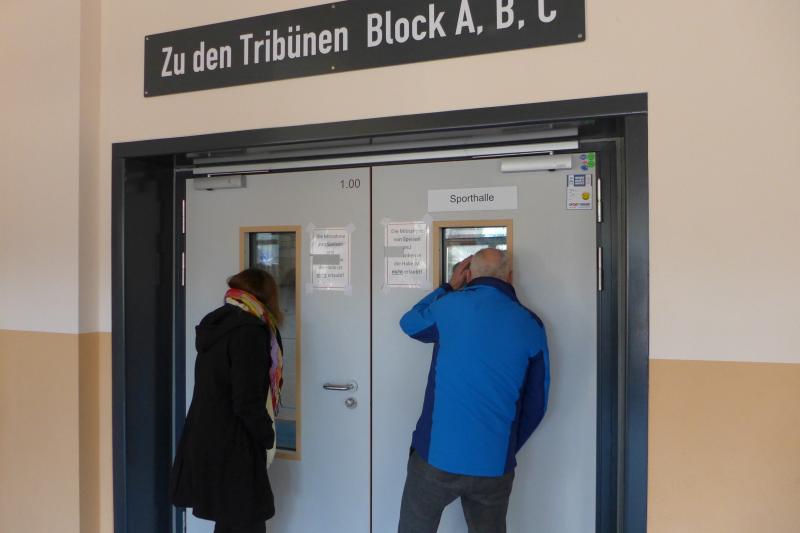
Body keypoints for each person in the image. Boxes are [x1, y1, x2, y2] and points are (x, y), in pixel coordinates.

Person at [397, 248, 550, 533]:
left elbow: (409, 323)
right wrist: (504, 446)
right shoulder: (531, 324)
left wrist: (448, 286)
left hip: (435, 457)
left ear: (467, 275)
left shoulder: (448, 306)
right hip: (494, 462)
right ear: (510, 277)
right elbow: (537, 403)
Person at [170, 268, 285, 533]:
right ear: (267, 296)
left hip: (209, 437)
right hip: (236, 443)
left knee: (231, 519)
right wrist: (266, 436)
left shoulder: (218, 323)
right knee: (247, 521)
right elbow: (246, 400)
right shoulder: (250, 331)